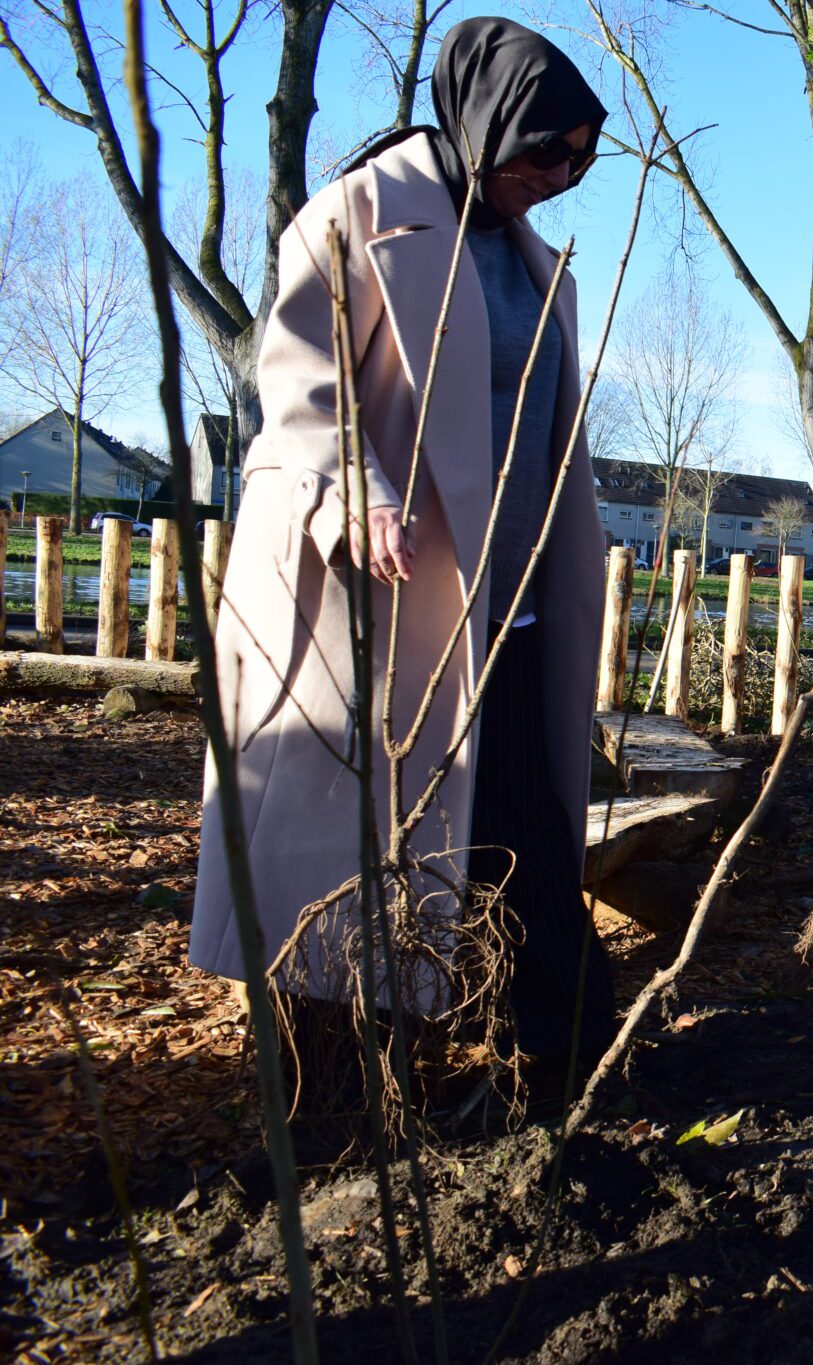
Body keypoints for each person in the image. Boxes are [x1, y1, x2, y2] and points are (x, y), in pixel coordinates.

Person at [190, 19, 615, 1075]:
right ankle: (324, 1107)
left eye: (578, 159)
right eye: (540, 151)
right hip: (374, 607)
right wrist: (358, 489)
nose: (557, 177)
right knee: (349, 849)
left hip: (505, 611)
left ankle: (563, 1079)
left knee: (528, 839)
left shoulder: (527, 255)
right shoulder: (361, 213)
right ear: (481, 124)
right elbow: (295, 381)